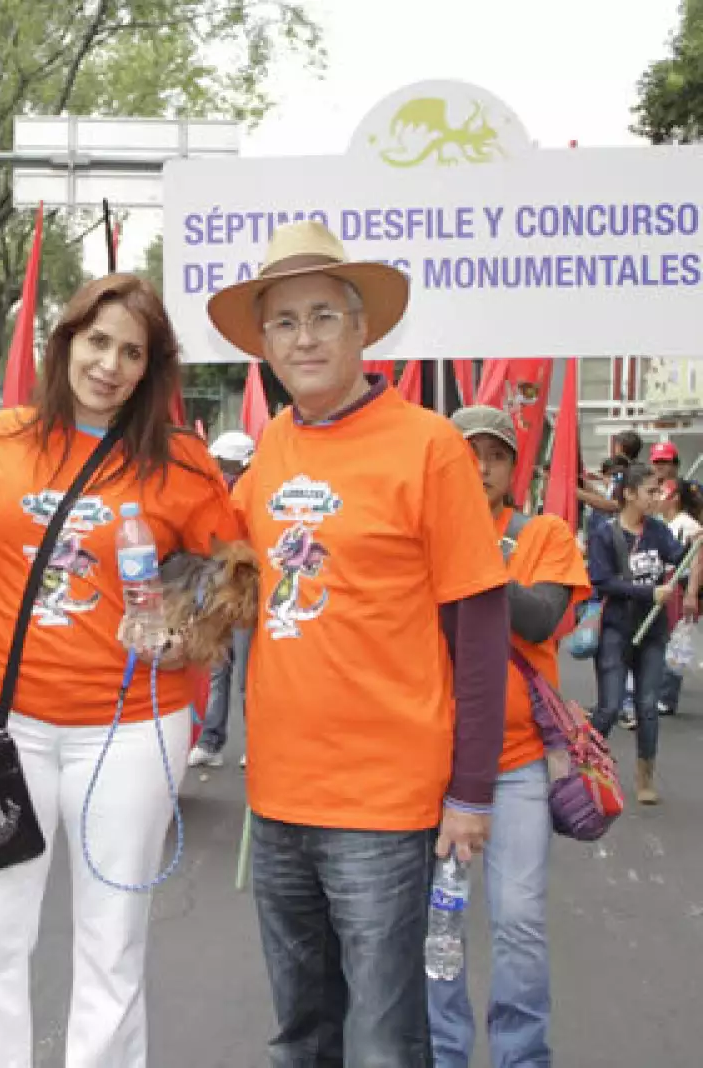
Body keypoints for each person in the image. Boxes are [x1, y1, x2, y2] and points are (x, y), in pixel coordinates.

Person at [206, 220, 508, 1065]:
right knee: (300, 1035)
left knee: (383, 1041)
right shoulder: (271, 447)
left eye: (322, 316)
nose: (303, 338)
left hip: (385, 803)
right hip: (278, 798)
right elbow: (226, 568)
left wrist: (472, 793)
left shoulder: (430, 446)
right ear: (264, 343)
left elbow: (480, 629)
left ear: (362, 327)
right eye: (284, 322)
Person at [0, 274, 240, 1067]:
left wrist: (189, 631)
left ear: (152, 370)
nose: (110, 364)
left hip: (129, 729)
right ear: (65, 342)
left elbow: (235, 572)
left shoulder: (181, 460)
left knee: (110, 946)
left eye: (132, 352)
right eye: (98, 342)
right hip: (1, 729)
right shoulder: (4, 438)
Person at [428, 406, 589, 1068]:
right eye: (469, 453)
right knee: (441, 928)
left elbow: (543, 617)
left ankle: (523, 1057)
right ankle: (444, 1053)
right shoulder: (423, 533)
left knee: (517, 923)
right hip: (436, 766)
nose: (482, 466)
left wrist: (474, 557)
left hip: (519, 765)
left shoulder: (543, 533)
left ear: (512, 466)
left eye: (495, 455)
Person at [588, 461, 685, 805]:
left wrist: (693, 548)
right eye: (650, 491)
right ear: (629, 493)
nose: (657, 497)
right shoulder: (604, 532)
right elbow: (601, 581)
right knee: (610, 707)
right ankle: (585, 768)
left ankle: (645, 775)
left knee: (646, 706)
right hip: (616, 630)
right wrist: (649, 593)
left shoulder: (658, 531)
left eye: (659, 491)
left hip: (653, 634)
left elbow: (678, 558)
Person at [188, 430, 255, 770]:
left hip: (244, 596)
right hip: (216, 591)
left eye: (228, 464)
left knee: (246, 676)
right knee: (218, 669)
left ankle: (254, 746)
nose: (222, 468)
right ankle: (210, 741)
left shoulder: (255, 493)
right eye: (219, 462)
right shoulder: (213, 494)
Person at [660, 479, 703, 714]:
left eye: (662, 492)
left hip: (679, 583)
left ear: (675, 497)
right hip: (664, 581)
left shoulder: (688, 525)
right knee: (663, 636)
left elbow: (697, 561)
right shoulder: (661, 522)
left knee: (677, 638)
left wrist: (691, 593)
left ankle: (667, 696)